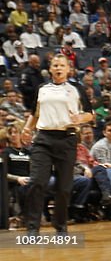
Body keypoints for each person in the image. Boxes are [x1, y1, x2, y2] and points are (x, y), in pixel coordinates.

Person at [20, 54, 95, 233]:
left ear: (68, 69)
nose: (59, 68)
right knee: (37, 182)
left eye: (62, 65)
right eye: (55, 65)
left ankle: (60, 226)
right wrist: (27, 129)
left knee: (64, 186)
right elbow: (34, 112)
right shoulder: (42, 88)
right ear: (50, 69)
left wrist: (79, 118)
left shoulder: (77, 88)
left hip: (67, 138)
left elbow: (90, 114)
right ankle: (32, 228)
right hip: (43, 138)